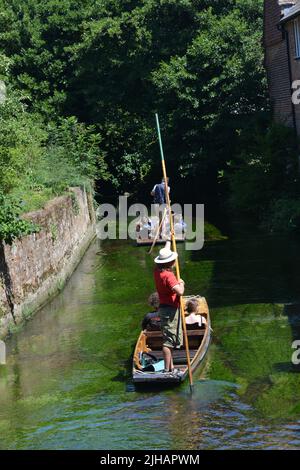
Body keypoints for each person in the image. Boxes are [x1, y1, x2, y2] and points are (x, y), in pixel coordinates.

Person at [153, 241, 185, 375]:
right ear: (170, 263)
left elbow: (165, 253)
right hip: (170, 310)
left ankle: (171, 368)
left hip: (165, 308)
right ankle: (167, 370)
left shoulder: (157, 272)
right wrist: (181, 283)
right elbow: (180, 292)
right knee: (169, 341)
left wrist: (168, 242)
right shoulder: (169, 276)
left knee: (170, 338)